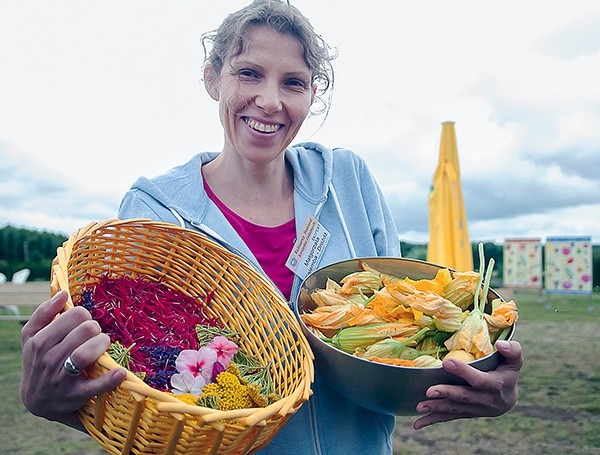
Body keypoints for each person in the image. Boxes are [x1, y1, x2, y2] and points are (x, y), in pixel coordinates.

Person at [20, 1, 523, 453]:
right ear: (212, 78)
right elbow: (142, 395)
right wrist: (50, 399)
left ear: (312, 94)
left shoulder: (348, 181)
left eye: (293, 83)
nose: (269, 101)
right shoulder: (155, 209)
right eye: (249, 73)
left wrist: (477, 379)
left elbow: (398, 346)